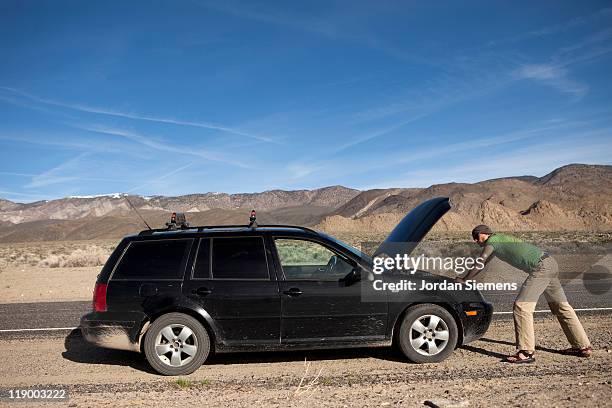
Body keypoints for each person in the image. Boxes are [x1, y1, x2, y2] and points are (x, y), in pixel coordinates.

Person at [458, 225, 592, 363]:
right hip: (549, 263)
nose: (475, 240)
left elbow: (480, 262)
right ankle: (582, 346)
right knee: (561, 307)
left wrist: (463, 280)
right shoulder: (498, 242)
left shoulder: (494, 241)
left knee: (522, 306)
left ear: (485, 234)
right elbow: (483, 265)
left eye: (476, 236)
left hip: (541, 268)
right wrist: (467, 278)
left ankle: (526, 352)